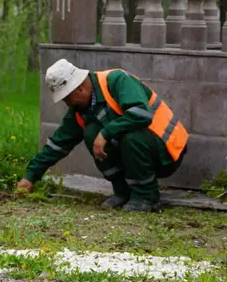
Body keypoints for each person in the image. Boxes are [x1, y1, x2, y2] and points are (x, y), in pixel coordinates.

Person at [16, 59, 189, 212]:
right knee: (91, 132)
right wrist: (30, 176)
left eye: (67, 98)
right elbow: (57, 145)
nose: (67, 103)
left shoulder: (116, 80)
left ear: (80, 88)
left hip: (168, 150)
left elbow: (142, 115)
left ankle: (146, 196)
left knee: (130, 137)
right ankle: (123, 191)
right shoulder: (79, 111)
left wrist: (106, 132)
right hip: (146, 152)